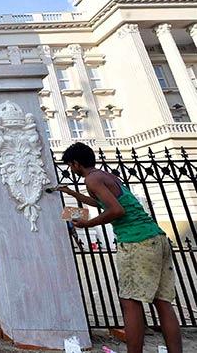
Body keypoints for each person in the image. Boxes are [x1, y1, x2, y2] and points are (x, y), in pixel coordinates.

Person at [55, 143, 182, 353]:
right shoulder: (106, 176)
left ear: (76, 163)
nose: (71, 170)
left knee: (130, 302)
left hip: (136, 241)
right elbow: (102, 203)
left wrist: (88, 224)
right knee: (162, 302)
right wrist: (71, 192)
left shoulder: (91, 179)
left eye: (70, 165)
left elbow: (116, 210)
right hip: (156, 236)